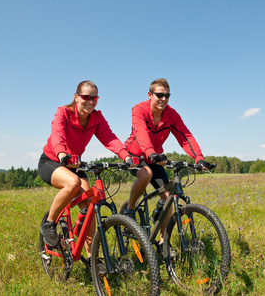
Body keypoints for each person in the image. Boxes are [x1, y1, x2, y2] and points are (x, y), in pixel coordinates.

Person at [38, 80, 136, 262]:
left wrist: (126, 156)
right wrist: (61, 153)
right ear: (76, 97)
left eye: (94, 98)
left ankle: (92, 258)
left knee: (90, 204)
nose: (90, 101)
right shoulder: (63, 112)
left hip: (75, 164)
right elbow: (57, 133)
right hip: (52, 161)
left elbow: (109, 138)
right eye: (85, 97)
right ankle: (49, 223)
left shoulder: (96, 118)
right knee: (73, 183)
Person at [123, 78, 212, 253]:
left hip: (154, 157)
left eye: (167, 96)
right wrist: (150, 152)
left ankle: (163, 241)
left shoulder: (171, 114)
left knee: (168, 197)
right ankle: (130, 209)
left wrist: (198, 158)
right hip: (134, 155)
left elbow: (185, 136)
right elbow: (141, 133)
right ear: (150, 95)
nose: (163, 99)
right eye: (159, 95)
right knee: (145, 174)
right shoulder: (139, 109)